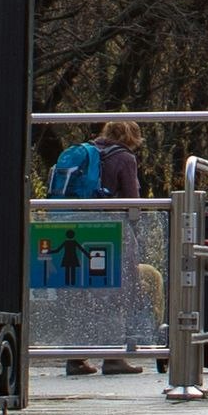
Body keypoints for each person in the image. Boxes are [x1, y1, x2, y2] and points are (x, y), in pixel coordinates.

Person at [47, 121, 142, 374]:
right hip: (108, 231)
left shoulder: (84, 151)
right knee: (115, 293)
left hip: (74, 228)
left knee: (78, 295)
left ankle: (75, 358)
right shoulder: (124, 157)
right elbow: (132, 202)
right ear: (131, 137)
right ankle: (113, 358)